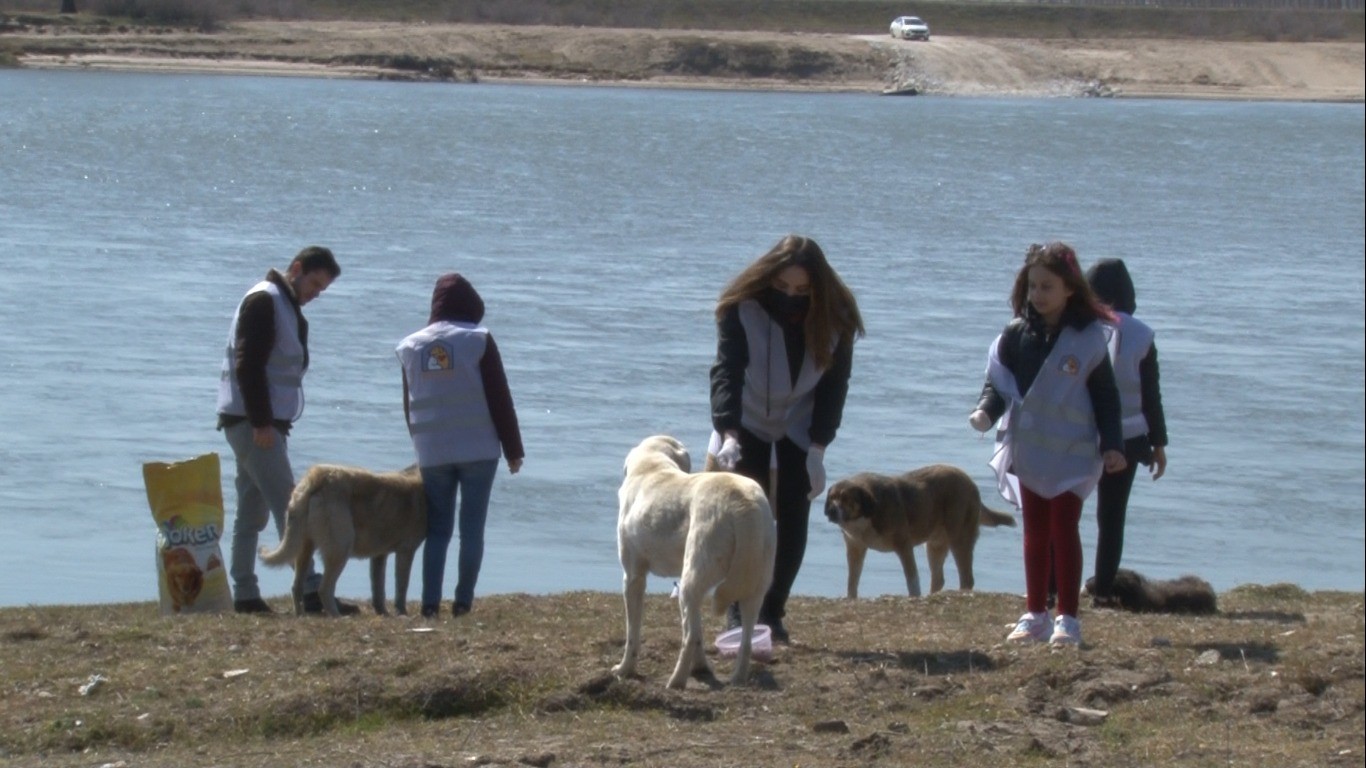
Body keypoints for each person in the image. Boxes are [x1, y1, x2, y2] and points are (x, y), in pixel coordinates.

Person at [968, 242, 1126, 647]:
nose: (1038, 295)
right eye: (1033, 286)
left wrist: (1113, 445)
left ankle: (1068, 618)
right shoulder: (1016, 334)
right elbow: (998, 383)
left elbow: (1107, 397)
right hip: (1031, 450)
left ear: (1069, 288)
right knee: (1035, 530)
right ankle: (1035, 611)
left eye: (1047, 287)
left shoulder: (1088, 339)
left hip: (1073, 452)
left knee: (1064, 527)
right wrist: (986, 411)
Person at [710, 234, 864, 643]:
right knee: (746, 518)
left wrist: (818, 447)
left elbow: (835, 388)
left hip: (799, 423)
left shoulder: (837, 320)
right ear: (767, 279)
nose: (790, 297)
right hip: (745, 423)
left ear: (817, 288)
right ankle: (740, 612)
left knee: (794, 513)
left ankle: (773, 611)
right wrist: (728, 432)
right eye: (781, 289)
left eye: (801, 291)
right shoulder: (740, 309)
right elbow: (726, 370)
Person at [217, 246, 354, 614]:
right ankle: (311, 590)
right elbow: (249, 365)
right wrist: (262, 422)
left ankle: (244, 594)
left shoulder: (281, 303)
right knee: (292, 507)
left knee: (251, 511)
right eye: (313, 283)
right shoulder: (265, 300)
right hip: (254, 424)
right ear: (295, 269)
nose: (315, 293)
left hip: (251, 422)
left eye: (321, 290)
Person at [396, 273, 524, 619]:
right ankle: (463, 602)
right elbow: (500, 397)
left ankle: (429, 605)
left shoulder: (409, 346)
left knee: (437, 530)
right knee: (472, 530)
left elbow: (410, 405)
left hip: (432, 453)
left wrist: (418, 448)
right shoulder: (478, 339)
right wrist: (514, 448)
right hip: (479, 450)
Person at [1084, 258, 1168, 608]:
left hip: (1081, 433)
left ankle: (1054, 585)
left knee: (1065, 513)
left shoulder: (1081, 327)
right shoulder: (1143, 334)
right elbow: (1151, 396)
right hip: (1131, 436)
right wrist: (1159, 445)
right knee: (1112, 517)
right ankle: (1103, 589)